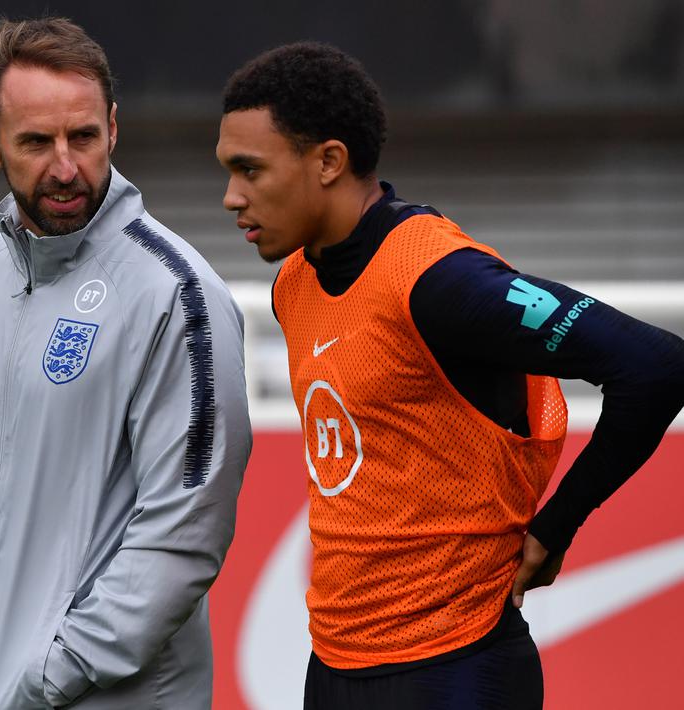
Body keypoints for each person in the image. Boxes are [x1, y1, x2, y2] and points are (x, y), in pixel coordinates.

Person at [215, 42, 684, 710]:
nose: (230, 197)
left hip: (456, 667)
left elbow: (655, 365)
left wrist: (557, 526)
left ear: (328, 161)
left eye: (249, 170)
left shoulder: (439, 278)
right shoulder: (295, 281)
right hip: (334, 663)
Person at [0, 17, 252, 710]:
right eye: (36, 142)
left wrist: (52, 674)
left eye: (84, 137)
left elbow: (183, 532)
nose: (66, 167)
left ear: (114, 129)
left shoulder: (175, 293)